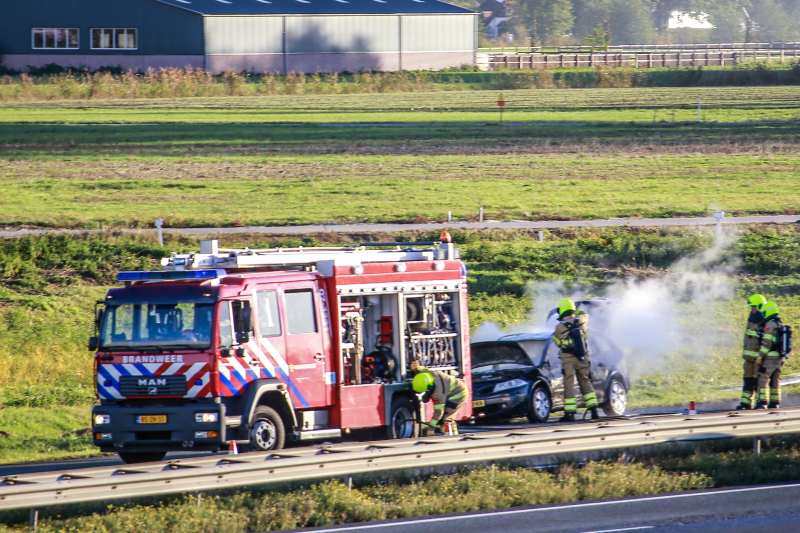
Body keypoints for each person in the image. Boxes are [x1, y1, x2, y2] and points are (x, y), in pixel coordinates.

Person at [553, 299, 598, 421]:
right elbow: (585, 314)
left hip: (568, 359)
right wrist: (575, 310)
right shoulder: (582, 320)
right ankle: (594, 410)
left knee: (569, 384)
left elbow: (557, 342)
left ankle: (570, 413)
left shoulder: (560, 327)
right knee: (585, 381)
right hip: (583, 357)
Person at [411, 365, 468, 436]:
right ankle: (445, 435)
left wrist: (430, 429)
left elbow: (439, 412)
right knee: (442, 420)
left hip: (459, 394)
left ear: (430, 388)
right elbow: (423, 369)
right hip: (450, 391)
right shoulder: (429, 374)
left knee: (447, 418)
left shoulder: (438, 393)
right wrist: (416, 367)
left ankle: (452, 437)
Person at [738, 294, 767, 410]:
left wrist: (761, 356)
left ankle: (761, 403)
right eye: (751, 307)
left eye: (754, 307)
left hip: (759, 357)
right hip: (749, 358)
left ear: (760, 307)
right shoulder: (751, 320)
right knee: (748, 379)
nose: (752, 310)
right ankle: (745, 402)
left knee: (759, 380)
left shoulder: (765, 322)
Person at [756, 301, 784, 409]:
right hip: (778, 358)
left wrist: (760, 356)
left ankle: (762, 402)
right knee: (775, 381)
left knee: (763, 378)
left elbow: (767, 343)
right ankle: (774, 402)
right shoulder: (779, 323)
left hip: (770, 358)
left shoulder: (770, 325)